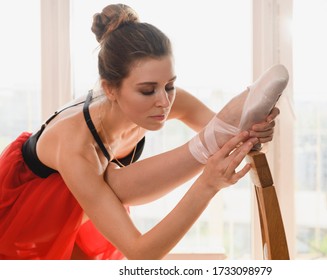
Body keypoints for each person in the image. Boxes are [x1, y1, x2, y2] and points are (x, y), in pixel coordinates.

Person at [0, 3, 285, 260]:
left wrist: (252, 134)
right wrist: (206, 185)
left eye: (170, 85)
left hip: (80, 209)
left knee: (112, 183)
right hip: (25, 223)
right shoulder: (76, 147)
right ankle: (206, 144)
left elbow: (229, 135)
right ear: (109, 88)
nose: (164, 101)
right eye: (147, 90)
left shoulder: (163, 101)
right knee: (109, 183)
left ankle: (208, 142)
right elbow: (140, 252)